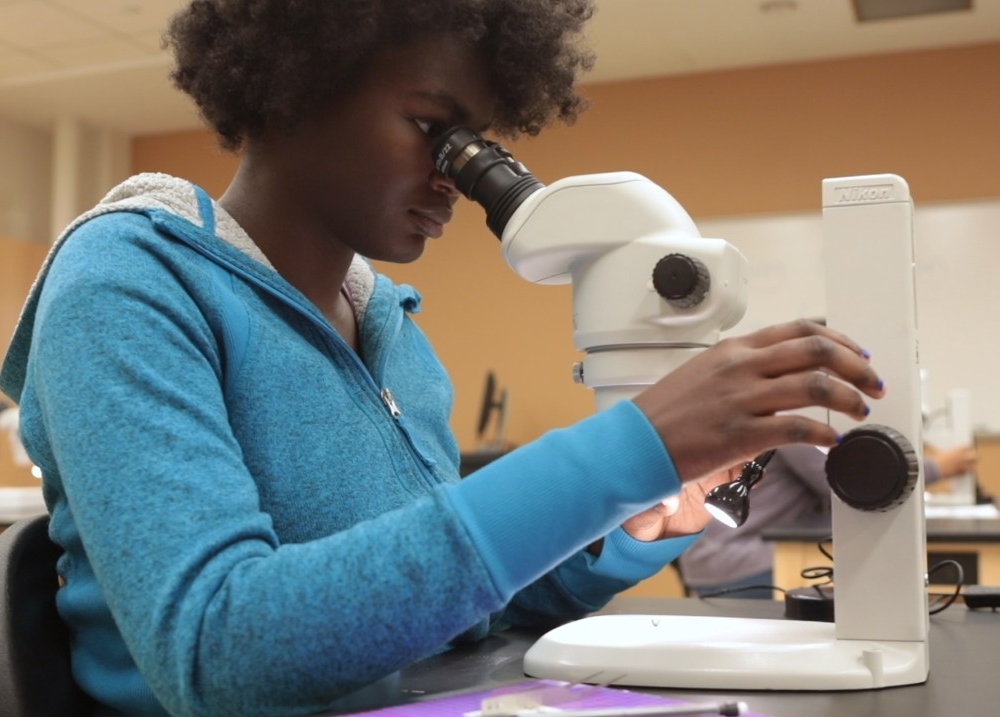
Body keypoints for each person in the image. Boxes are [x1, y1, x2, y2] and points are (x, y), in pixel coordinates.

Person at [0, 2, 885, 716]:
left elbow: (467, 611)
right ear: (290, 88)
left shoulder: (391, 328)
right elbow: (219, 655)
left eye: (477, 148)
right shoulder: (125, 282)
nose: (457, 179)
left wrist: (625, 524)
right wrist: (627, 446)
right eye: (434, 129)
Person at [678, 442, 979, 598]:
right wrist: (937, 467)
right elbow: (846, 481)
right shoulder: (792, 419)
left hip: (715, 560)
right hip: (739, 561)